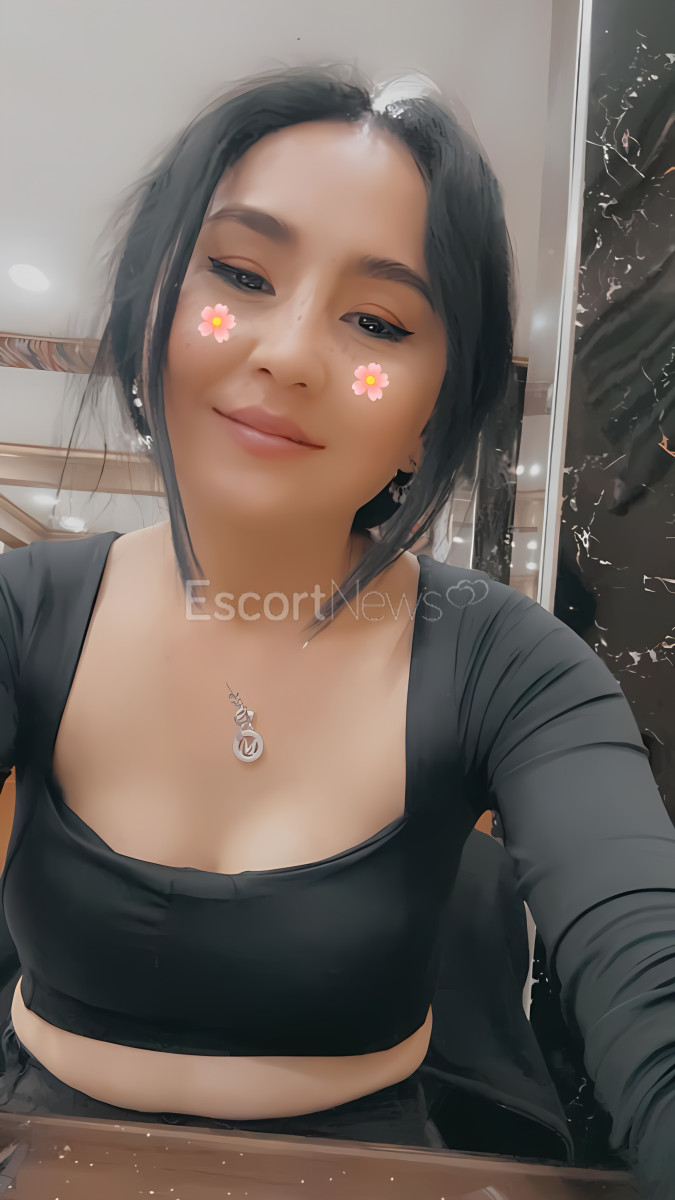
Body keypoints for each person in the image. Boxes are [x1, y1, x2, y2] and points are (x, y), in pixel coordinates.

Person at [0, 64, 674, 1199]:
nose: (290, 352)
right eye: (240, 275)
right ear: (152, 303)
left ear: (430, 412)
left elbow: (647, 965)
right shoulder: (22, 611)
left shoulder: (508, 665)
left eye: (377, 321)